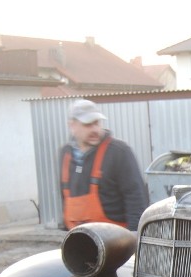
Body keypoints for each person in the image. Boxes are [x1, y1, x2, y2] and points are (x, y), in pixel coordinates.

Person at [60, 99, 148, 231]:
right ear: (72, 126)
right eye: (88, 124)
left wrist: (133, 239)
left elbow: (136, 199)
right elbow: (65, 200)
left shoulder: (119, 152)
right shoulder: (65, 154)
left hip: (116, 242)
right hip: (79, 241)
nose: (95, 129)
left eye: (97, 123)